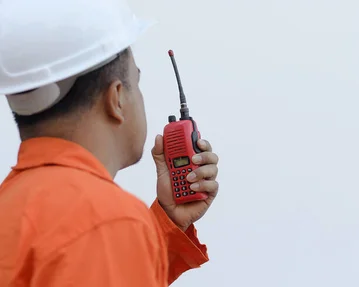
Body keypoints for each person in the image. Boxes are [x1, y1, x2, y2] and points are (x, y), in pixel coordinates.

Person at [0, 0, 220, 286]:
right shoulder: (106, 222)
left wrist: (166, 223)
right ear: (116, 98)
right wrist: (124, 229)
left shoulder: (10, 204)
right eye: (136, 82)